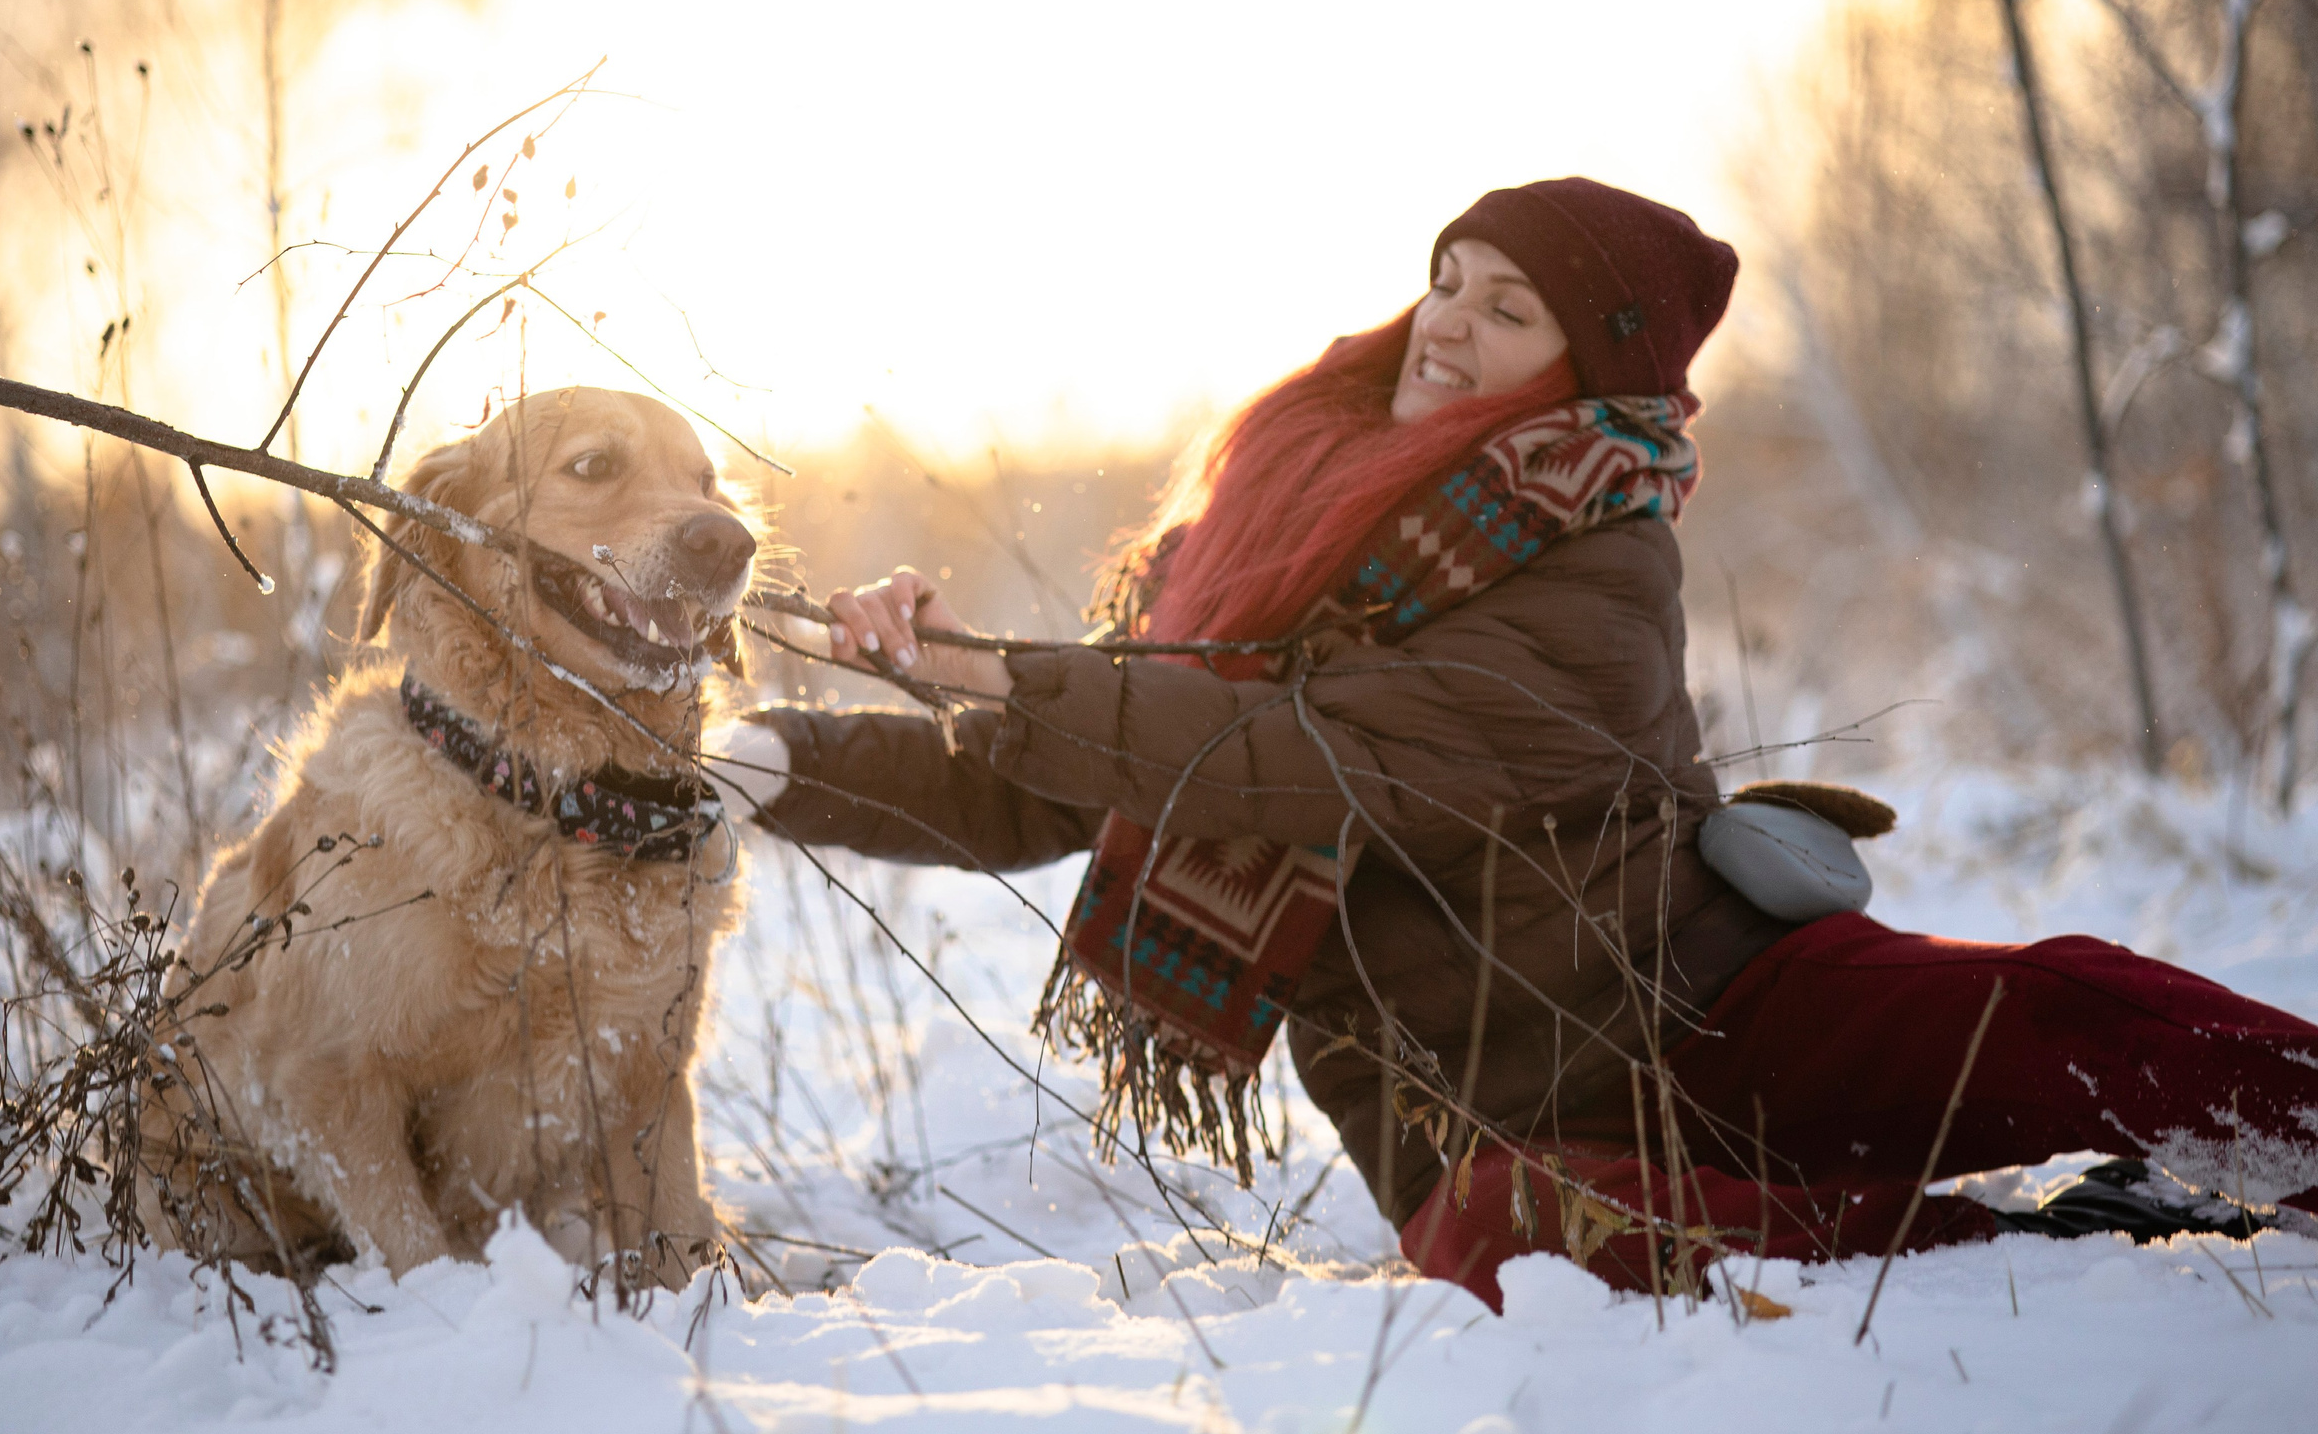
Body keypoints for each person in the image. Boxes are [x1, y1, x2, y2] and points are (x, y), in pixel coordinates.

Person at [723, 178, 2318, 1309]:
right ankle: (2027, 1249)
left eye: (1509, 308)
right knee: (1519, 1235)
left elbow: (1314, 758)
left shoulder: (1599, 568)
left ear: (1592, 369)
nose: (1448, 325)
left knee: (2062, 1009)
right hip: (1478, 1120)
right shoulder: (1256, 535)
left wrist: (1003, 674)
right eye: (1447, 282)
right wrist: (759, 762)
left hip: (1711, 1010)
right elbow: (1028, 783)